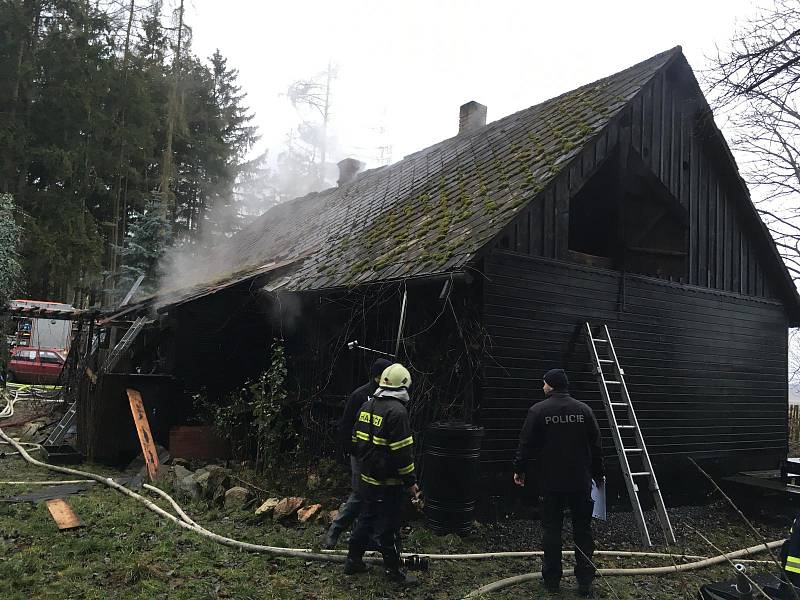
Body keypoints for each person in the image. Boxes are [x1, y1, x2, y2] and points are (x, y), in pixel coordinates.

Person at [513, 368, 604, 598]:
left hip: (551, 484)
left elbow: (526, 443)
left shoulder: (538, 410)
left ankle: (552, 580)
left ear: (551, 385)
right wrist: (598, 474)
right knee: (582, 531)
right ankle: (584, 582)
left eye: (544, 383)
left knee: (552, 531)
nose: (542, 387)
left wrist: (519, 470)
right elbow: (596, 447)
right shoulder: (584, 411)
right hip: (580, 483)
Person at [344, 363, 421, 586]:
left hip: (368, 477)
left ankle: (353, 561)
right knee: (390, 525)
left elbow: (356, 439)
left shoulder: (367, 406)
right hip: (389, 481)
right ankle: (394, 573)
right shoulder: (397, 412)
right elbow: (402, 453)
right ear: (403, 386)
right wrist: (411, 482)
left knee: (366, 519)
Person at [323, 357, 392, 549]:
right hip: (361, 454)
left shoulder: (388, 397)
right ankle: (336, 530)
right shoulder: (360, 395)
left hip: (380, 457)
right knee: (360, 494)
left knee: (379, 495)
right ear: (378, 376)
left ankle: (368, 538)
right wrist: (352, 450)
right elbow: (345, 426)